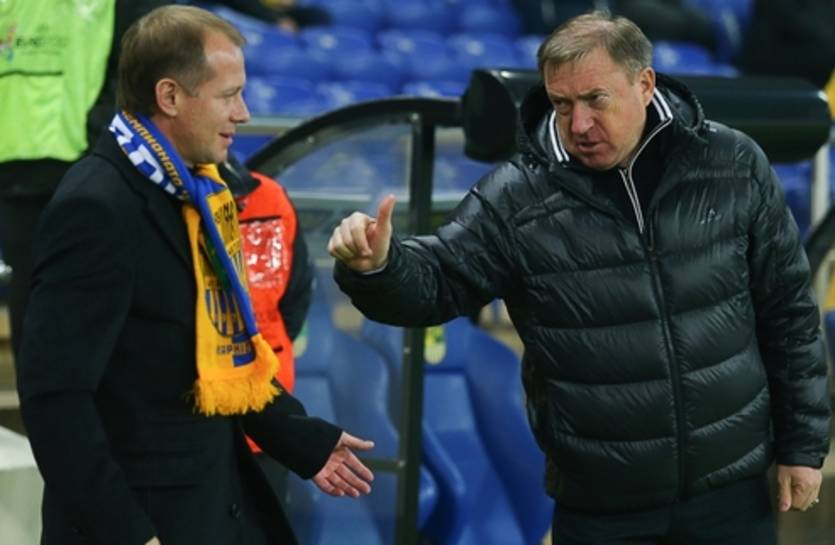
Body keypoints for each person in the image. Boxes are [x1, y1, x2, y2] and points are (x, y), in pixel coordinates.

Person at [329, 11, 831, 545]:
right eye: (562, 104)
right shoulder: (517, 197)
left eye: (596, 100)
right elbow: (435, 282)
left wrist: (802, 446)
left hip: (732, 493)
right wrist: (377, 266)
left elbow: (788, 313)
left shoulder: (732, 163)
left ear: (645, 84)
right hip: (603, 506)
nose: (580, 125)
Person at [16, 5, 373, 545]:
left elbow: (222, 357)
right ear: (170, 96)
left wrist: (304, 440)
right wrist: (128, 534)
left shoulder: (199, 191)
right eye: (229, 95)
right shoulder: (96, 206)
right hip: (143, 521)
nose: (244, 113)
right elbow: (55, 399)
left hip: (209, 506)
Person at [0, 0, 165, 360]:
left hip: (72, 163)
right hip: (30, 166)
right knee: (44, 291)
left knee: (72, 287)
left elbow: (141, 64)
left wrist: (98, 134)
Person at [219, 155, 314, 504]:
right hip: (189, 427)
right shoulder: (162, 198)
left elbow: (296, 298)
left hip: (267, 417)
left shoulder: (271, 199)